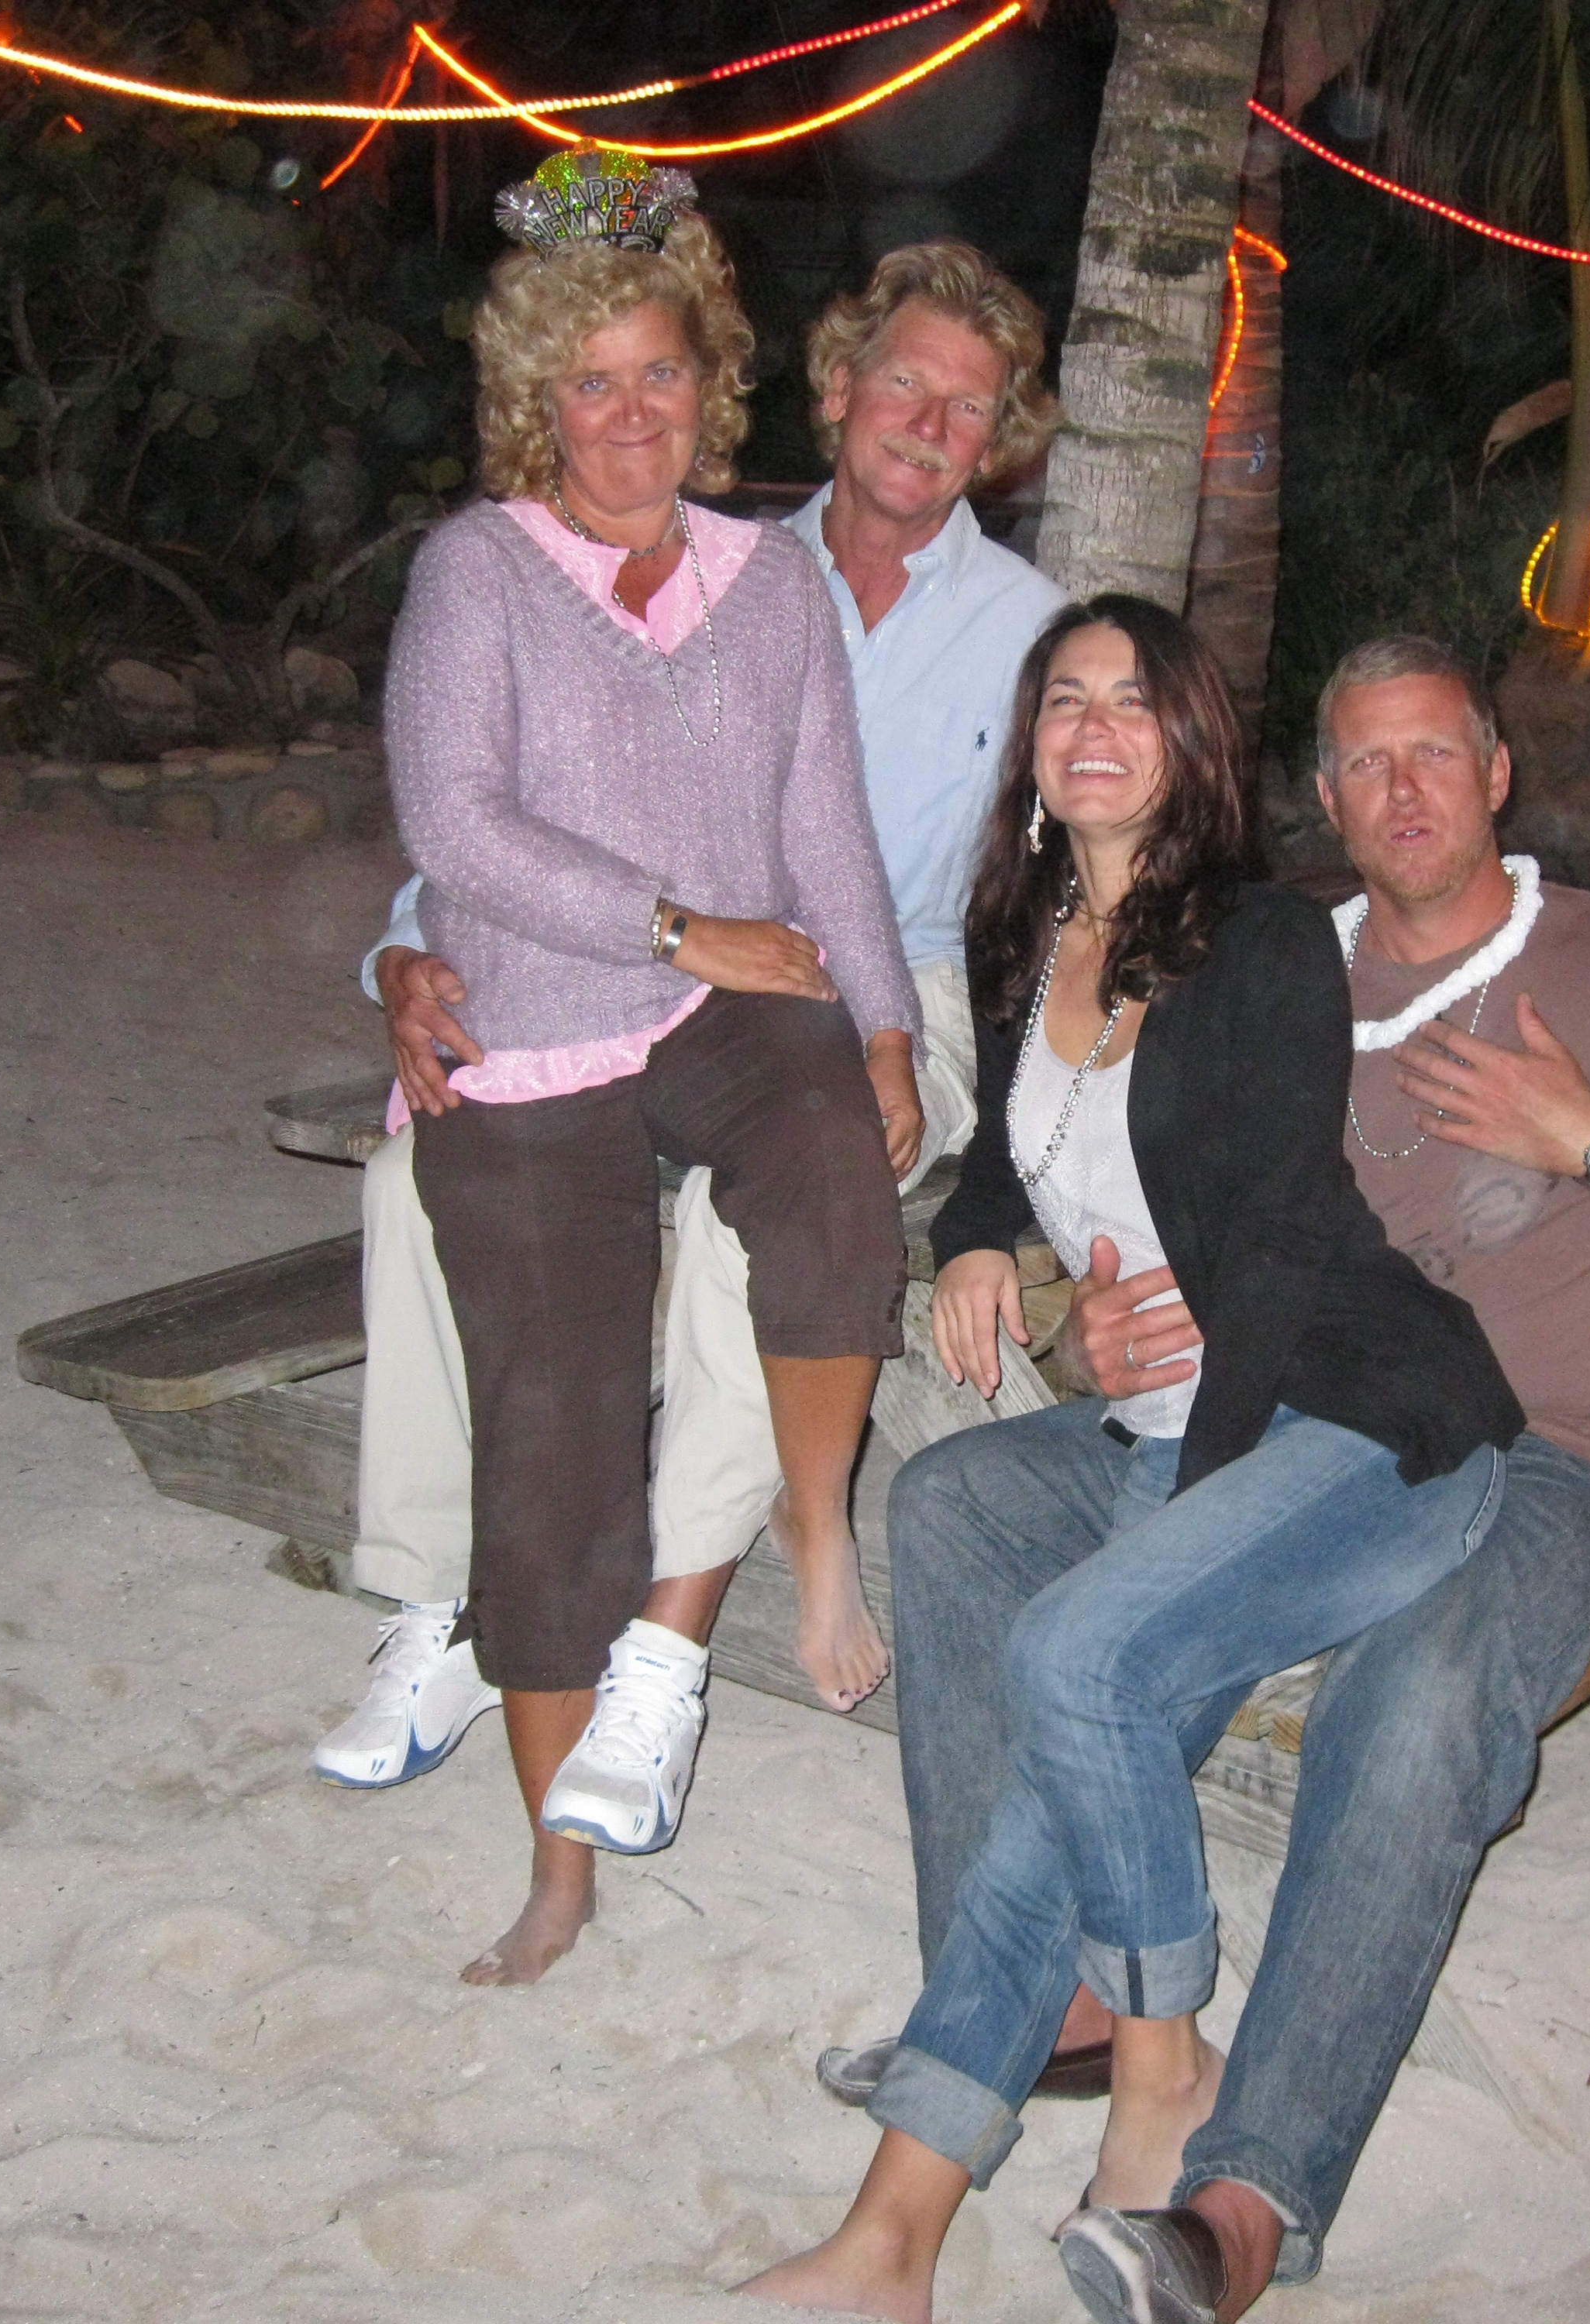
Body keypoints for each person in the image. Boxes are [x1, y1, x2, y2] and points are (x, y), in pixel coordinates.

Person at [860, 634, 1590, 2324]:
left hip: (1531, 1448)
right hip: (1261, 1412)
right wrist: (1085, 1325)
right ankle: (1037, 1999)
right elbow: (1103, 1175)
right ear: (1321, 794)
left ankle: (1242, 2200)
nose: (1401, 792)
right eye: (1365, 764)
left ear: (1497, 772)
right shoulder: (1259, 957)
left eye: (1434, 754)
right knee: (954, 1509)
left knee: (1416, 1700)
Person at [738, 602, 1526, 2324]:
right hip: (1170, 1414)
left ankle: (1120, 2086)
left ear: (1190, 743)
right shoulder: (1024, 935)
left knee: (1083, 1659)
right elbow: (1012, 1162)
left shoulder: (1263, 944)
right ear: (1031, 748)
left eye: (1132, 703)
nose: (1093, 729)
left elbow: (1285, 1243)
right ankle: (1003, 2073)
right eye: (1063, 702)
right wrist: (972, 1241)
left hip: (1357, 1417)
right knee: (949, 1509)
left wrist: (1182, 1509)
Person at [317, 242, 1066, 1847]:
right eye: (905, 383)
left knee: (768, 1197)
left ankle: (675, 1628)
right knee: (407, 1183)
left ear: (1001, 441)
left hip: (891, 981)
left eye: (970, 406)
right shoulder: (725, 554)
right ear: (835, 384)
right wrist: (404, 960)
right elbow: (482, 814)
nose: (929, 425)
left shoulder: (1034, 635)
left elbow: (1025, 868)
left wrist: (895, 1036)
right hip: (644, 969)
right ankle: (443, 1599)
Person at [379, 148, 924, 1987]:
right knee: (551, 1422)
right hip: (531, 1024)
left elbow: (826, 833)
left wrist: (883, 1027)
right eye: (590, 382)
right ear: (536, 401)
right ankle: (557, 1866)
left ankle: (815, 1522)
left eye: (661, 373)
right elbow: (453, 821)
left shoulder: (772, 587)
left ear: (713, 383)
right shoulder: (475, 573)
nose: (630, 416)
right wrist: (680, 928)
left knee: (832, 1146)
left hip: (719, 1011)